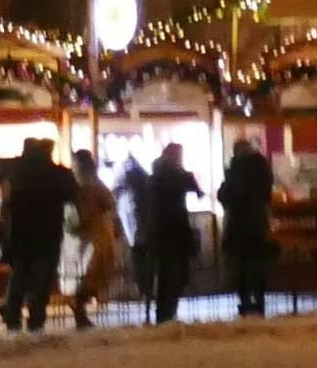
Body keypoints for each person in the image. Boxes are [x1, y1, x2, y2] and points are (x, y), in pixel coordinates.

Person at [0, 135, 76, 332]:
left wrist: (17, 164)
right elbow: (72, 194)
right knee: (42, 279)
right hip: (49, 233)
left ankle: (12, 317)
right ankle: (36, 319)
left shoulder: (17, 170)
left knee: (19, 275)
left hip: (20, 233)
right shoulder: (57, 173)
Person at [135, 141, 202, 324]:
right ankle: (168, 312)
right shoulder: (179, 175)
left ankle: (160, 312)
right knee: (175, 274)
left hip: (157, 232)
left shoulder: (153, 176)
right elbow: (197, 191)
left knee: (161, 273)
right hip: (176, 230)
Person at [69, 152, 130, 329]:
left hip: (82, 235)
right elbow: (109, 204)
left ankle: (80, 306)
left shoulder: (77, 185)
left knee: (85, 274)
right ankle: (80, 307)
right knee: (94, 272)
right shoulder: (95, 184)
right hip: (96, 234)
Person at [216, 140, 275, 319]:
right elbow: (266, 195)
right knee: (257, 265)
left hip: (238, 225)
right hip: (257, 224)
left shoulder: (234, 169)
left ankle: (245, 303)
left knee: (240, 266)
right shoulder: (262, 169)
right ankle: (259, 302)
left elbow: (225, 196)